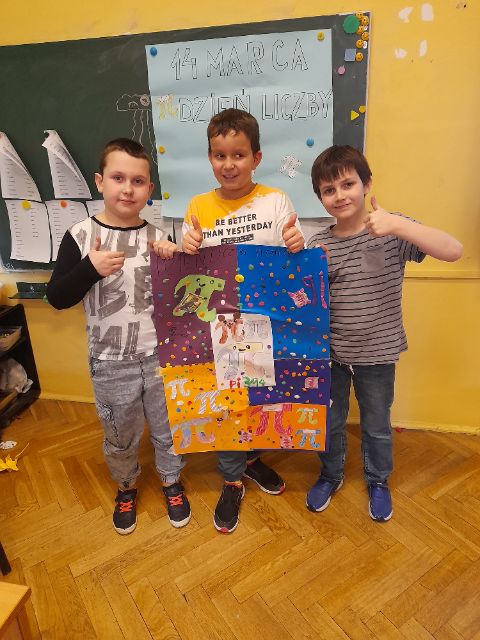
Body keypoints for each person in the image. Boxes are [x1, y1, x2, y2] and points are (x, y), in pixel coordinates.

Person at [306, 145, 463, 521]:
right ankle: (330, 474)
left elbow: (454, 250)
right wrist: (311, 270)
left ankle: (378, 480)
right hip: (331, 355)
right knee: (329, 421)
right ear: (320, 197)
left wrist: (398, 225)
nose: (340, 195)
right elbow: (307, 304)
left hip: (378, 354)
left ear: (367, 184)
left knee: (376, 425)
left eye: (348, 184)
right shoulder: (319, 244)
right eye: (329, 190)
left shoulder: (391, 229)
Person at [46, 138, 191, 535]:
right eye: (118, 178)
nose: (128, 189)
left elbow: (182, 300)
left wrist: (175, 259)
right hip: (110, 362)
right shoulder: (80, 235)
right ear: (100, 181)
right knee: (120, 434)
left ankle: (171, 480)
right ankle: (126, 486)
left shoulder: (159, 236)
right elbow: (57, 297)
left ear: (149, 189)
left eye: (138, 181)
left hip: (159, 357)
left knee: (168, 428)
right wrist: (89, 268)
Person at [182, 108, 305, 533]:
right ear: (210, 158)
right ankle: (232, 478)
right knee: (228, 403)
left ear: (256, 158)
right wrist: (187, 247)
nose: (229, 164)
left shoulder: (276, 200)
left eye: (238, 155)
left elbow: (293, 258)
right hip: (222, 326)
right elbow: (189, 271)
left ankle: (251, 459)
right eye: (220, 155)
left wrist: (296, 242)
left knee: (259, 399)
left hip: (266, 323)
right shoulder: (198, 206)